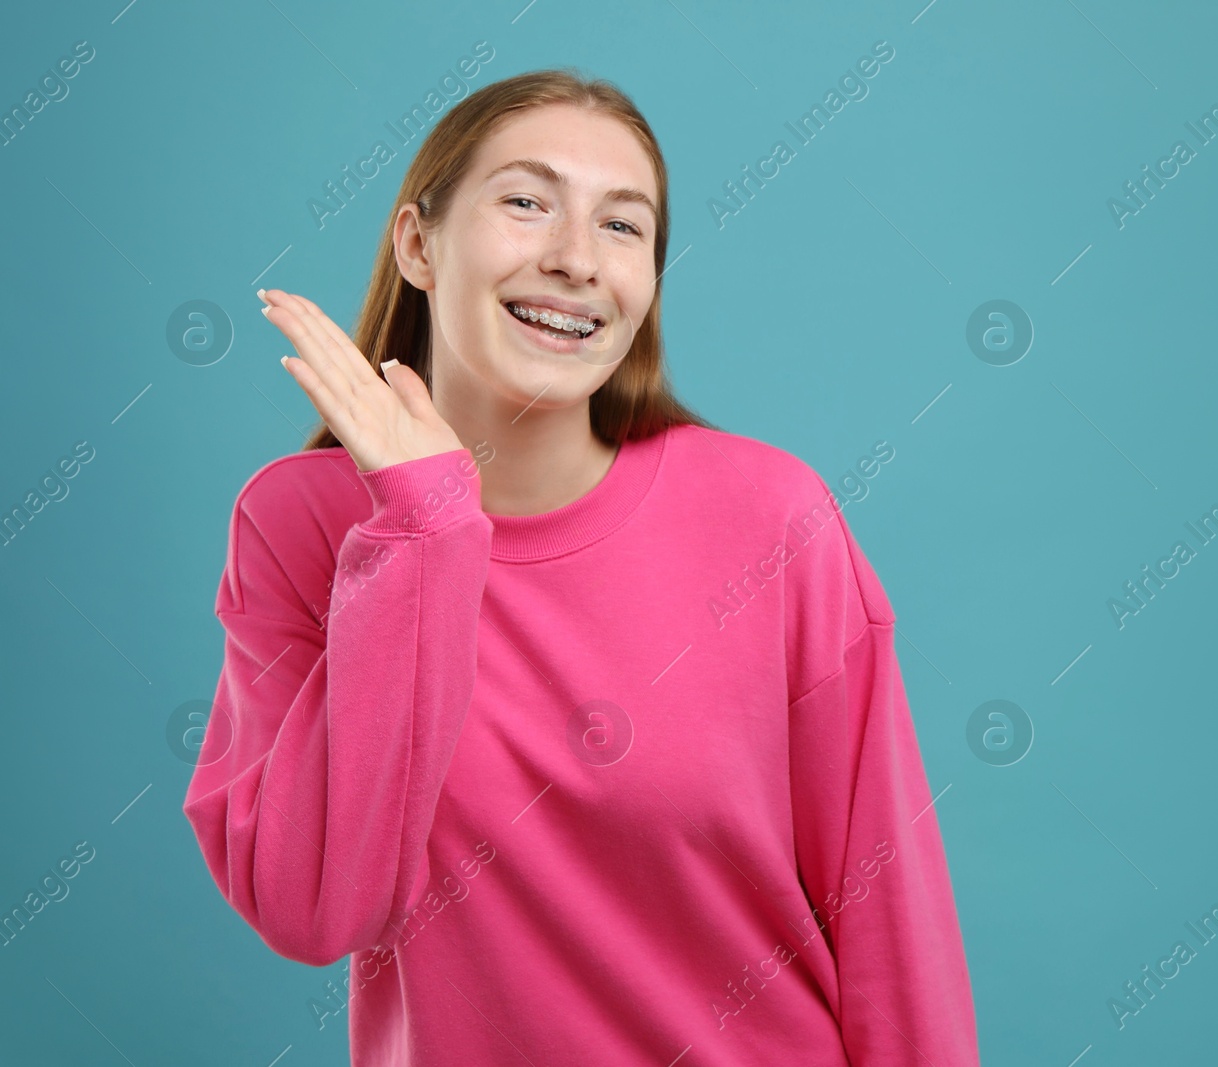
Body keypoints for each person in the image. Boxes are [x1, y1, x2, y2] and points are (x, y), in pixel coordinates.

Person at [182, 68, 980, 1066]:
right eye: (526, 201)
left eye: (622, 227)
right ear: (418, 243)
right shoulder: (301, 522)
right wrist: (422, 527)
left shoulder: (769, 517)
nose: (574, 260)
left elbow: (887, 908)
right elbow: (311, 905)